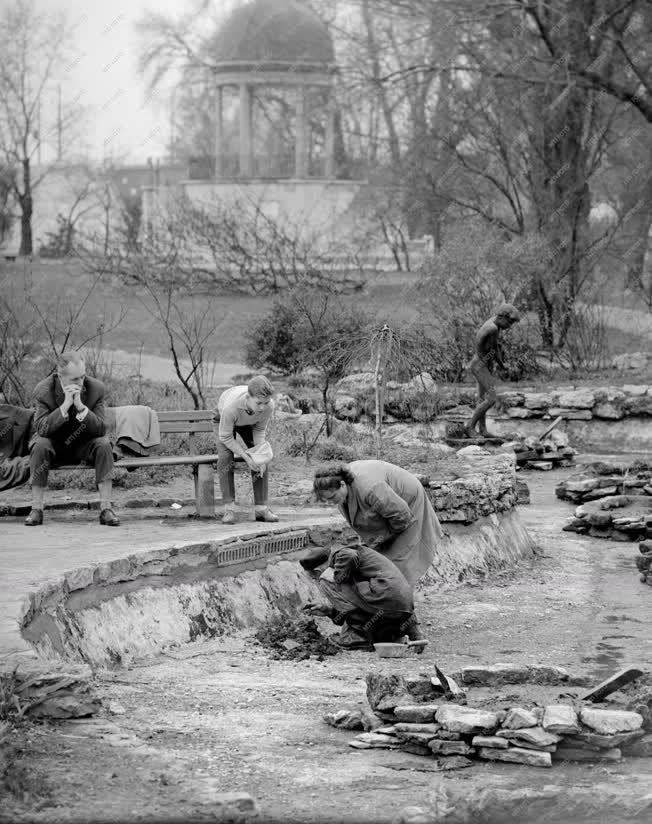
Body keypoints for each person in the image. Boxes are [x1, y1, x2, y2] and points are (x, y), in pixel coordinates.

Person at [313, 460, 445, 643]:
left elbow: (402, 517)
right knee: (379, 570)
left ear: (342, 484)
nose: (331, 502)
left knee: (396, 571)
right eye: (327, 499)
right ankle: (382, 629)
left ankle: (406, 628)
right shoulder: (344, 495)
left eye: (332, 497)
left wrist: (380, 540)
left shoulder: (371, 489)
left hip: (407, 507)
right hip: (388, 516)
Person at [25, 352, 118, 527]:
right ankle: (36, 509)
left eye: (83, 376)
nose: (81, 382)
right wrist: (65, 406)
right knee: (40, 445)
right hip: (55, 444)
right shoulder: (43, 390)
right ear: (61, 376)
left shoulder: (96, 388)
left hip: (84, 445)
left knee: (104, 444)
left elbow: (100, 429)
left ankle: (106, 509)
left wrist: (82, 408)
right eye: (75, 379)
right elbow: (42, 429)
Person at [300, 543, 418, 651]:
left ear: (317, 571)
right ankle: (396, 632)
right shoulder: (357, 559)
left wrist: (337, 578)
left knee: (326, 580)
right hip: (400, 605)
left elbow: (350, 556)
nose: (315, 580)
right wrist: (328, 610)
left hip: (385, 596)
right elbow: (357, 602)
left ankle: (358, 637)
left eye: (314, 577)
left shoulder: (341, 554)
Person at [214, 375, 278, 524]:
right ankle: (229, 509)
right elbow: (226, 437)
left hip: (249, 423)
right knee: (225, 457)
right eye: (258, 403)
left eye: (266, 403)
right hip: (222, 420)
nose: (262, 407)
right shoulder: (231, 407)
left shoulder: (268, 406)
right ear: (248, 397)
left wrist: (258, 455)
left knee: (261, 459)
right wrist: (246, 457)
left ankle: (261, 509)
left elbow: (259, 430)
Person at [465, 303, 521, 438]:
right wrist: (502, 365)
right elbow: (493, 351)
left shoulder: (493, 322)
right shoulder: (493, 329)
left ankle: (483, 430)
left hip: (479, 363)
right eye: (510, 323)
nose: (510, 326)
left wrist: (497, 364)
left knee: (483, 399)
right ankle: (470, 427)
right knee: (491, 399)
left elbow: (493, 347)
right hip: (479, 365)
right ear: (503, 317)